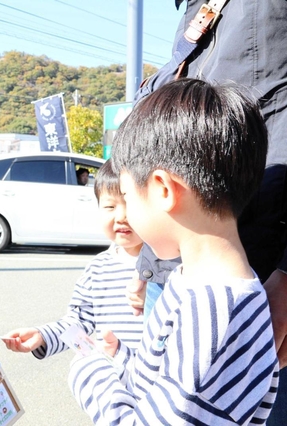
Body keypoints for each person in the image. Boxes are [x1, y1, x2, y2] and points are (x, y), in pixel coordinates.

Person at [70, 79, 279, 424]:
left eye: (127, 196)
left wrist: (90, 375)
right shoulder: (206, 285)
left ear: (164, 190)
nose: (127, 214)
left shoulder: (212, 313)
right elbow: (169, 386)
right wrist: (122, 358)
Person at [132, 3, 287, 423]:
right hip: (174, 273)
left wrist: (90, 371)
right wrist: (149, 263)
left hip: (264, 279)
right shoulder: (193, 15)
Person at [3, 160, 144, 357]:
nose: (121, 216)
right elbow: (79, 321)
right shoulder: (98, 268)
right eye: (110, 206)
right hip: (113, 372)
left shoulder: (172, 264)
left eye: (130, 204)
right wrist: (42, 336)